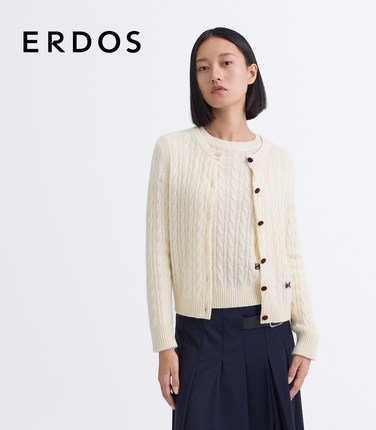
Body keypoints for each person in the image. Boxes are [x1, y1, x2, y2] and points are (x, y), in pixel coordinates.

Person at [146, 26, 319, 430]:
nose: (215, 75)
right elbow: (157, 253)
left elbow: (289, 250)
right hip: (201, 338)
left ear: (251, 73)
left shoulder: (278, 160)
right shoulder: (172, 150)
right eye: (203, 68)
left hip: (272, 337)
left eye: (226, 63)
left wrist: (307, 334)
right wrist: (164, 343)